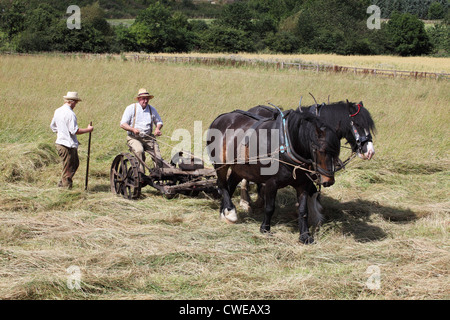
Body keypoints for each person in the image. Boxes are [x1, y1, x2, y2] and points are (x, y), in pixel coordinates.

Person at [50, 92, 94, 189]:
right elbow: (75, 131)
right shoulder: (70, 114)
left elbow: (53, 126)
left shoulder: (58, 111)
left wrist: (62, 132)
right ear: (72, 102)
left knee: (73, 164)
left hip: (61, 143)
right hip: (67, 145)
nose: (75, 105)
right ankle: (66, 190)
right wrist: (88, 130)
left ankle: (62, 185)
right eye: (76, 103)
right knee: (69, 169)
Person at [120, 88, 163, 172]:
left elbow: (159, 121)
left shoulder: (152, 109)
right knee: (139, 150)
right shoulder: (131, 108)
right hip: (134, 137)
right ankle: (140, 174)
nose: (145, 101)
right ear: (139, 99)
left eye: (147, 99)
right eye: (143, 98)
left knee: (157, 156)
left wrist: (157, 129)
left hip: (148, 138)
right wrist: (132, 129)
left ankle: (159, 173)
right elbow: (123, 124)